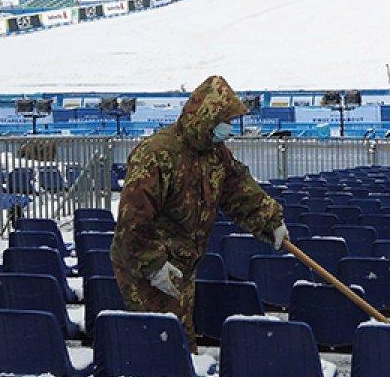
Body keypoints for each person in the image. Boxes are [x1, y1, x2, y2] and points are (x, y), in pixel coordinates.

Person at [112, 76, 287, 349]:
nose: (228, 128)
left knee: (179, 340)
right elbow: (133, 217)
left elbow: (237, 186)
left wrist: (269, 219)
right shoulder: (157, 155)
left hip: (181, 266)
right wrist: (153, 264)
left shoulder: (213, 153)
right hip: (147, 268)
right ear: (207, 117)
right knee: (164, 348)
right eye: (224, 120)